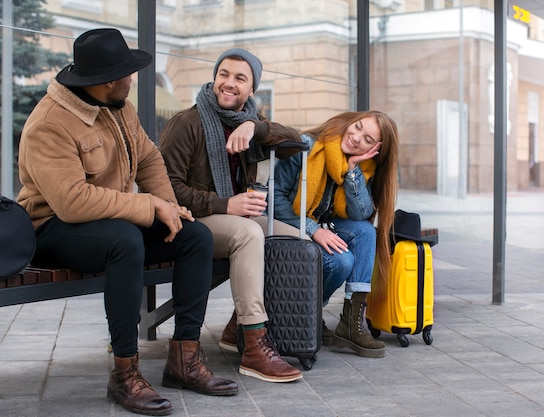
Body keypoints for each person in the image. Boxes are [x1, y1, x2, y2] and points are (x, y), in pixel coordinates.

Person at [16, 28, 238, 417]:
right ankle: (125, 372)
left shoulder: (118, 107)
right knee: (124, 241)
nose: (132, 79)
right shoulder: (50, 123)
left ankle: (184, 359)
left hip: (111, 217)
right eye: (126, 73)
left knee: (195, 237)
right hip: (52, 228)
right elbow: (71, 203)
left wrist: (169, 208)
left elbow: (150, 159)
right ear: (104, 82)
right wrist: (149, 206)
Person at [159, 48, 303, 383]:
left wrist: (255, 126)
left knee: (298, 240)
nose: (228, 83)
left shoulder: (248, 121)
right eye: (223, 74)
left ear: (252, 90)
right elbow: (166, 189)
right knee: (248, 234)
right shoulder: (187, 123)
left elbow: (296, 139)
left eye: (240, 78)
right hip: (191, 219)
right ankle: (255, 344)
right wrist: (227, 204)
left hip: (233, 214)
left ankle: (239, 326)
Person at [273, 110, 399, 358]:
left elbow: (360, 213)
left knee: (364, 231)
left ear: (376, 149)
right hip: (288, 225)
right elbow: (273, 197)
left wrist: (352, 171)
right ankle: (311, 313)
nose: (356, 137)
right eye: (358, 127)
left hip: (322, 229)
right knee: (342, 260)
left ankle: (351, 325)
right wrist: (313, 229)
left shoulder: (364, 167)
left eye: (368, 139)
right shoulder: (308, 147)